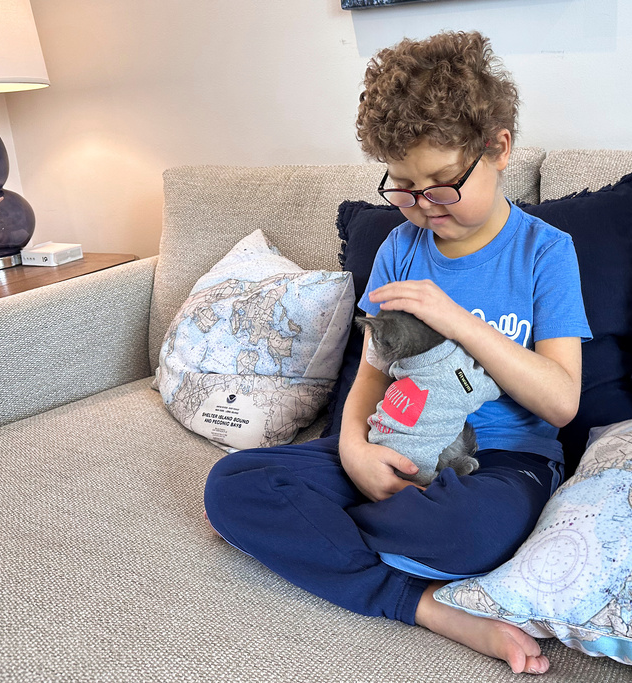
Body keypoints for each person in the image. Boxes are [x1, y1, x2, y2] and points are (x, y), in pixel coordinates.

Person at [203, 30, 591, 675]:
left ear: (498, 149)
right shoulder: (399, 248)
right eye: (405, 187)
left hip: (500, 462)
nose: (423, 206)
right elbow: (371, 374)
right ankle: (423, 603)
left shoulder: (545, 252)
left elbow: (561, 401)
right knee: (231, 485)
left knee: (467, 533)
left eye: (441, 185)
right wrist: (353, 450)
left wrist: (456, 320)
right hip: (393, 442)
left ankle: (311, 536)